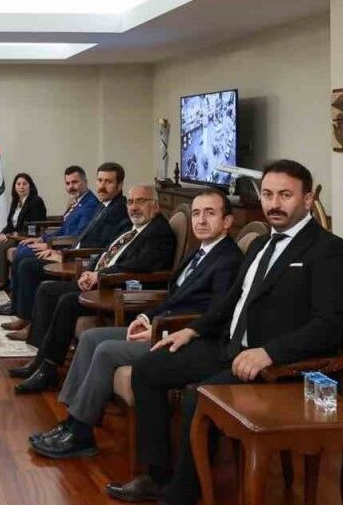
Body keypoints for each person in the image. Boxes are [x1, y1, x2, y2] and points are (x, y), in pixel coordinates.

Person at [108, 160, 343, 505]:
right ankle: (158, 476)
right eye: (267, 194)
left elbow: (328, 327)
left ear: (307, 199)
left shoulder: (329, 250)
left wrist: (269, 353)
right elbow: (230, 301)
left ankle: (182, 494)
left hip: (277, 367)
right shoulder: (260, 245)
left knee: (199, 396)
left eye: (285, 195)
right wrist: (192, 330)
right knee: (149, 368)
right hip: (229, 347)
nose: (274, 203)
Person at [27, 188, 241, 459]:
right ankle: (71, 422)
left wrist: (161, 328)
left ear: (227, 221)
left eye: (210, 213)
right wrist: (145, 317)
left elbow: (218, 314)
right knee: (91, 338)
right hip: (160, 324)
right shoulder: (198, 253)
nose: (201, 220)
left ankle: (80, 433)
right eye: (197, 213)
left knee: (106, 350)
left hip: (181, 338)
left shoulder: (228, 259)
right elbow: (173, 297)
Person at [12, 183, 176, 383]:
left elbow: (139, 266)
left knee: (67, 301)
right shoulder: (131, 227)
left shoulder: (159, 232)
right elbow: (107, 252)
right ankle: (39, 360)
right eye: (131, 202)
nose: (134, 207)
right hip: (103, 281)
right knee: (46, 290)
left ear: (155, 206)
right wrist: (89, 272)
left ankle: (48, 369)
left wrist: (100, 275)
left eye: (140, 202)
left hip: (121, 289)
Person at [2, 163, 129, 340]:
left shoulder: (116, 210)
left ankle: (28, 321)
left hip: (81, 259)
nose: (102, 186)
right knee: (25, 258)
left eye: (108, 182)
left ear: (120, 185)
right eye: (100, 180)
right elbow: (79, 235)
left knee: (27, 265)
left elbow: (103, 246)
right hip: (71, 252)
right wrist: (51, 245)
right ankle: (24, 316)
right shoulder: (103, 205)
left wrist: (62, 254)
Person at [0, 166, 99, 313]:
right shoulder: (77, 202)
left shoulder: (89, 204)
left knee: (22, 255)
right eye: (68, 183)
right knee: (23, 247)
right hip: (59, 244)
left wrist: (50, 246)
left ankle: (17, 305)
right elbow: (62, 229)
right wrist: (40, 239)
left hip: (67, 251)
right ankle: (15, 302)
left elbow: (79, 236)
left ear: (85, 182)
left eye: (75, 182)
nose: (71, 186)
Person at [0, 173, 48, 292]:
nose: (21, 186)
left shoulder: (36, 201)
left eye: (24, 184)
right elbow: (10, 224)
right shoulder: (16, 202)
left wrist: (9, 236)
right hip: (13, 236)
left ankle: (2, 282)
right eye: (18, 184)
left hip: (25, 237)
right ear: (15, 187)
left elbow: (34, 225)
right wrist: (1, 234)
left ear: (30, 186)